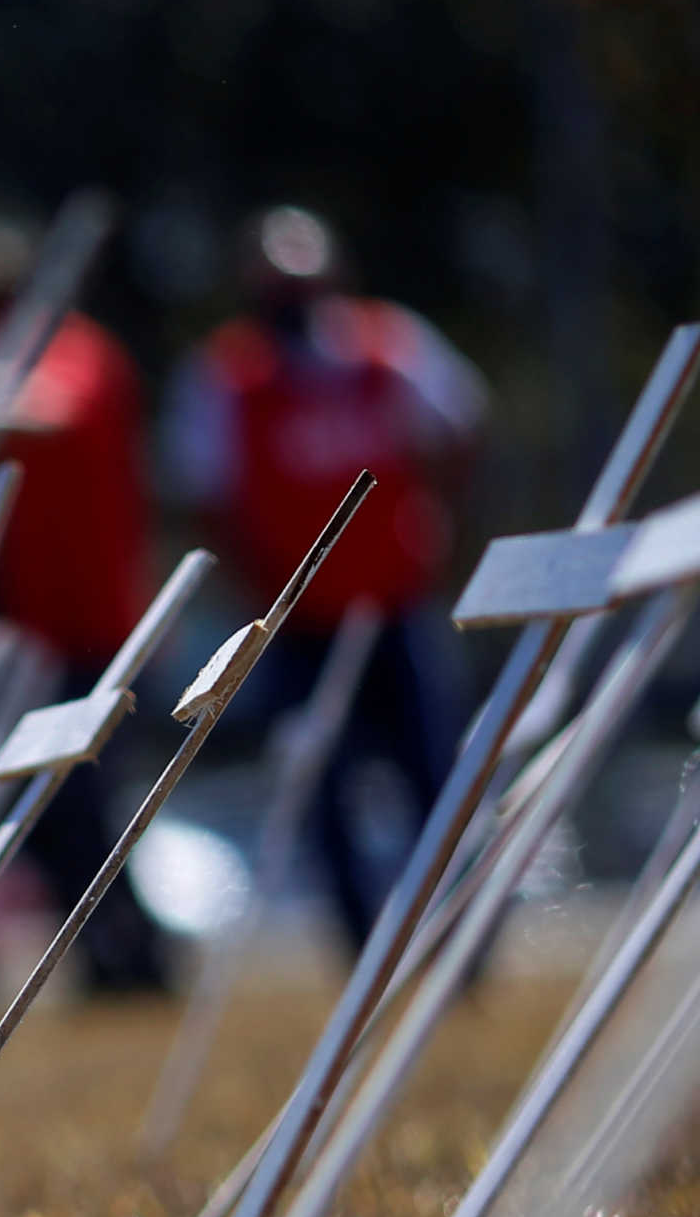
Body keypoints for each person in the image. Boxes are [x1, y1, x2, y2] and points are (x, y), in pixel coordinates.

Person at [163, 204, 488, 949]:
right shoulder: (228, 375)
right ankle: (362, 945)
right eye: (274, 281)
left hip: (396, 606)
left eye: (304, 278)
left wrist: (444, 526)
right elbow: (202, 494)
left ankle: (463, 938)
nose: (293, 297)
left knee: (434, 772)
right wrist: (256, 587)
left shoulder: (388, 345)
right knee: (320, 786)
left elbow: (464, 426)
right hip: (298, 625)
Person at [0, 215, 170, 993]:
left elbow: (45, 408)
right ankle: (102, 967)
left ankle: (131, 967)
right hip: (24, 636)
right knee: (28, 811)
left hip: (89, 634)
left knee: (82, 813)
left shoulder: (76, 351)